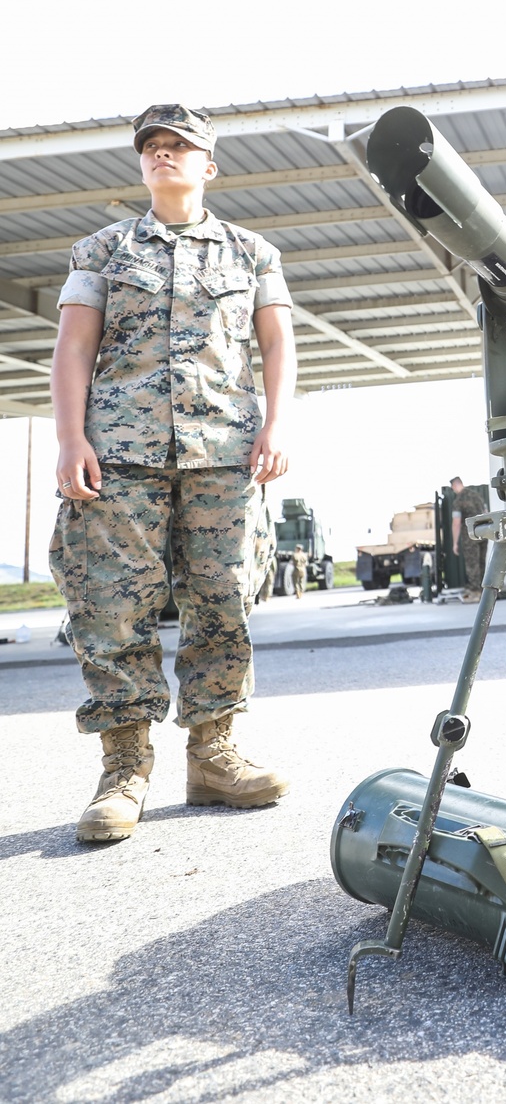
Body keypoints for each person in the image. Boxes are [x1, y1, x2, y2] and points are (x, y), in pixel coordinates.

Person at [49, 104, 296, 844]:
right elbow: (73, 349)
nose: (164, 155)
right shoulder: (102, 250)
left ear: (207, 165)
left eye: (180, 147)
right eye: (153, 147)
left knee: (223, 601)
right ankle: (124, 769)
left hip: (223, 452)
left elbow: (279, 344)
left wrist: (279, 423)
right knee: (110, 607)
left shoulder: (253, 253)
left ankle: (213, 755)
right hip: (119, 456)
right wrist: (69, 440)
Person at [451, 477, 488, 602]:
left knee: (472, 565)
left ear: (454, 487)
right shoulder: (477, 495)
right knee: (482, 563)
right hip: (483, 533)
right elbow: (486, 512)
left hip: (470, 537)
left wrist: (455, 543)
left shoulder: (458, 500)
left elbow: (456, 523)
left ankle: (475, 592)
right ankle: (485, 592)